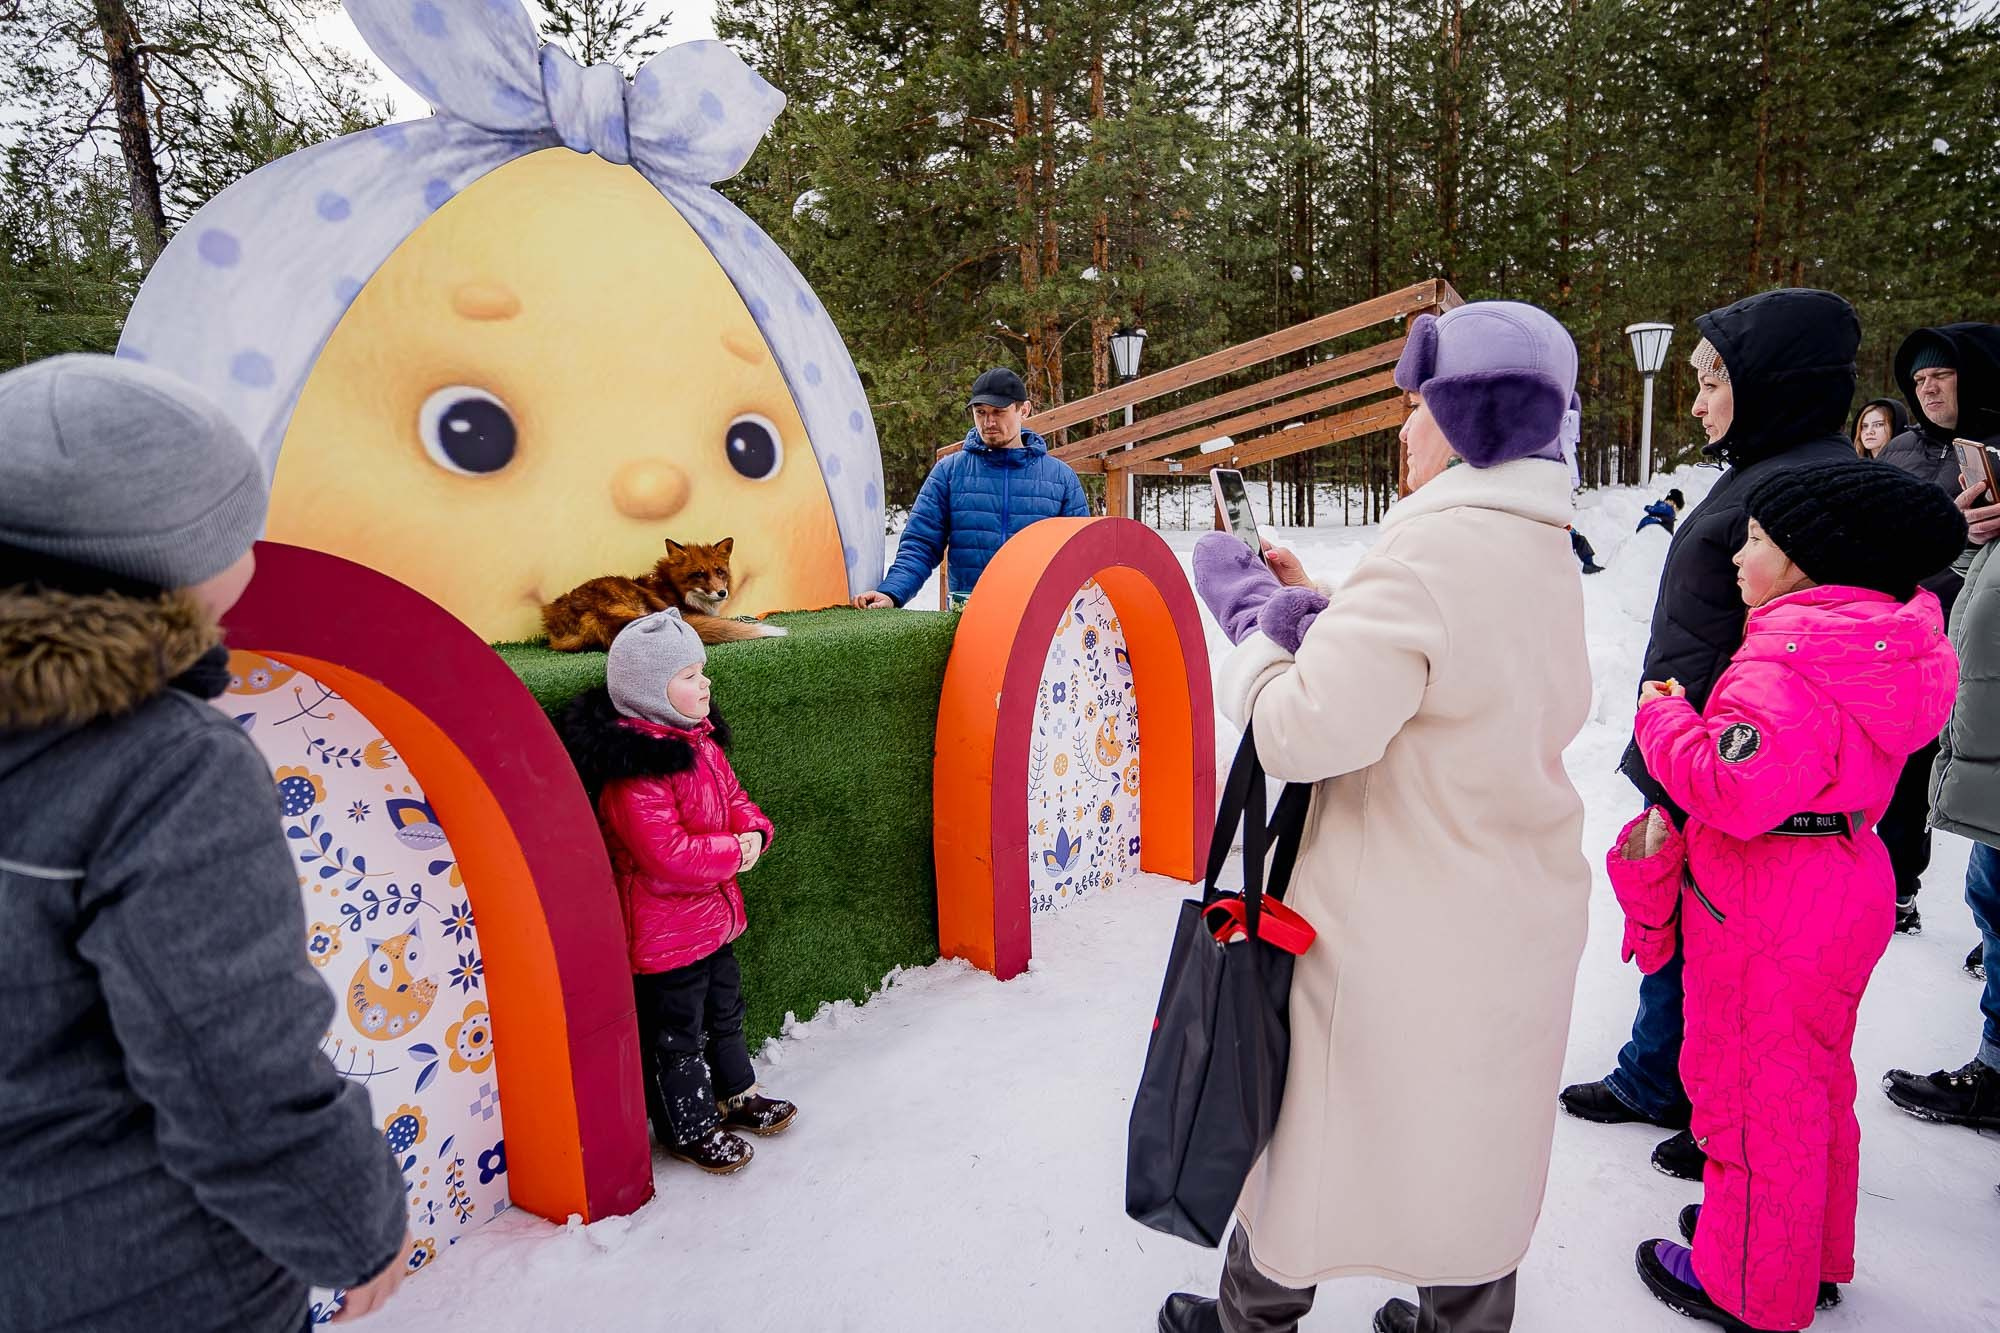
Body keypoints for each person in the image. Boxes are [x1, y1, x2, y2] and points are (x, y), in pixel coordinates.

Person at [1161, 302, 1592, 1333]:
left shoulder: (1430, 553)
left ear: (1470, 416)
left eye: (1415, 407)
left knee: (1311, 1143)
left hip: (1394, 925)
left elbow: (1300, 734)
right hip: (1506, 908)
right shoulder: (1534, 543)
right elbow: (1438, 671)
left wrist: (1251, 627)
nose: (1400, 430)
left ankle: (1246, 1320)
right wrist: (1321, 609)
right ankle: (1461, 1319)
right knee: (1472, 1142)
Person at [0, 355, 409, 1331]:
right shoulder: (163, 763)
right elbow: (233, 1062)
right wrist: (354, 1223)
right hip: (146, 1270)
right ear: (171, 558)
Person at [1610, 462, 1963, 1332]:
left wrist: (1661, 717)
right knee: (1811, 1079)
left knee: (1746, 1094)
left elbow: (1730, 789)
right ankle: (1801, 1245)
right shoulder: (1879, 646)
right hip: (1844, 874)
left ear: (1808, 561)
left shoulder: (1782, 663)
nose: (1739, 551)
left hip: (1766, 897)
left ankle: (1746, 1279)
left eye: (1759, 538)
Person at [1560, 289, 1864, 1185]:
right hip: (1690, 742)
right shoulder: (1763, 468)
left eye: (1712, 380)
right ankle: (1660, 1073)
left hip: (1729, 760)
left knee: (1724, 941)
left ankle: (1721, 1112)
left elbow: (1799, 651)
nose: (1696, 401)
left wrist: (1705, 749)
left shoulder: (1802, 488)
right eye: (1691, 381)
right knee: (1676, 916)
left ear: (1770, 385)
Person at [559, 609, 794, 1174]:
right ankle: (689, 1126)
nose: (705, 683)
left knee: (726, 1010)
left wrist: (755, 829)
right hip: (667, 937)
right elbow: (663, 855)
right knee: (678, 1036)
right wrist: (733, 854)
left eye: (702, 670)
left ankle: (736, 1093)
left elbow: (737, 801)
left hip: (713, 920)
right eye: (689, 676)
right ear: (648, 691)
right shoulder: (637, 770)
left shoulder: (702, 743)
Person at [1881, 321, 2000, 1126]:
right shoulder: (1907, 457)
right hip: (1931, 649)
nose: (1928, 386)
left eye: (1943, 373)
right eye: (1917, 376)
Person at [855, 368, 1089, 609]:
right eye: (981, 413)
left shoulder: (1061, 478)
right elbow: (920, 545)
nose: (988, 422)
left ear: (1024, 410)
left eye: (998, 412)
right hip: (968, 618)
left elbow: (1080, 556)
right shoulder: (949, 473)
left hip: (1039, 620)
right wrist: (892, 593)